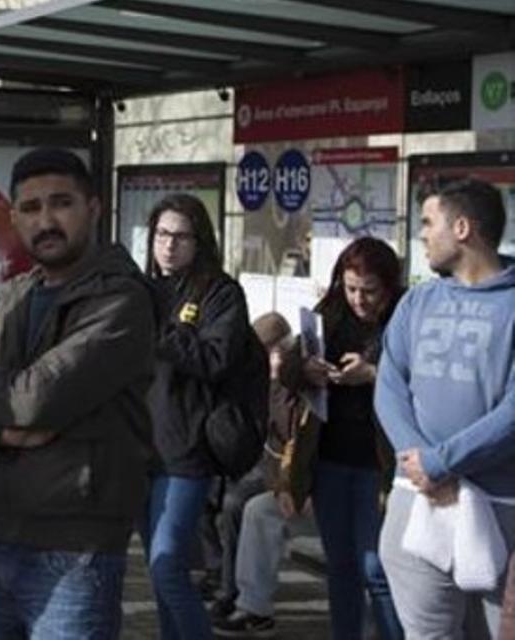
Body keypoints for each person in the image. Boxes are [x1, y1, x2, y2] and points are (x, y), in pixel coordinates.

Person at [0, 148, 156, 639]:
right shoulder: (18, 293)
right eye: (31, 208)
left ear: (94, 208)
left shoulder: (122, 298)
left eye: (61, 203)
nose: (47, 220)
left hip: (75, 550)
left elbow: (31, 402)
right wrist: (4, 436)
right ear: (14, 217)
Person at [376, 178, 515, 639]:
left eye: (428, 223)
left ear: (461, 228)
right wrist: (420, 462)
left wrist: (442, 461)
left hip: (500, 506)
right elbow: (389, 385)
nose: (422, 235)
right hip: (417, 498)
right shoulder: (417, 300)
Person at [273, 236, 405, 640]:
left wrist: (372, 374)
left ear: (388, 287)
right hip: (329, 457)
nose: (359, 300)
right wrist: (305, 370)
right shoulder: (328, 314)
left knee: (376, 568)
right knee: (341, 565)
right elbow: (290, 371)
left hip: (379, 463)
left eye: (370, 291)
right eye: (351, 289)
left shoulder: (404, 317)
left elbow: (421, 383)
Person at [141, 194, 257, 640]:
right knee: (159, 574)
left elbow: (216, 358)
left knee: (167, 564)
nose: (169, 245)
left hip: (186, 451)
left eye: (181, 236)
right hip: (140, 449)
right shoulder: (144, 288)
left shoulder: (220, 292)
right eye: (162, 235)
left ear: (200, 240)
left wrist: (162, 332)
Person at [213, 313, 307, 637]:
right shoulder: (260, 381)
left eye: (276, 351)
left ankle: (243, 599)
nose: (273, 359)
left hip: (287, 474)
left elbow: (291, 445)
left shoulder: (294, 387)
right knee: (217, 492)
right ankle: (227, 584)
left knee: (242, 504)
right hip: (266, 465)